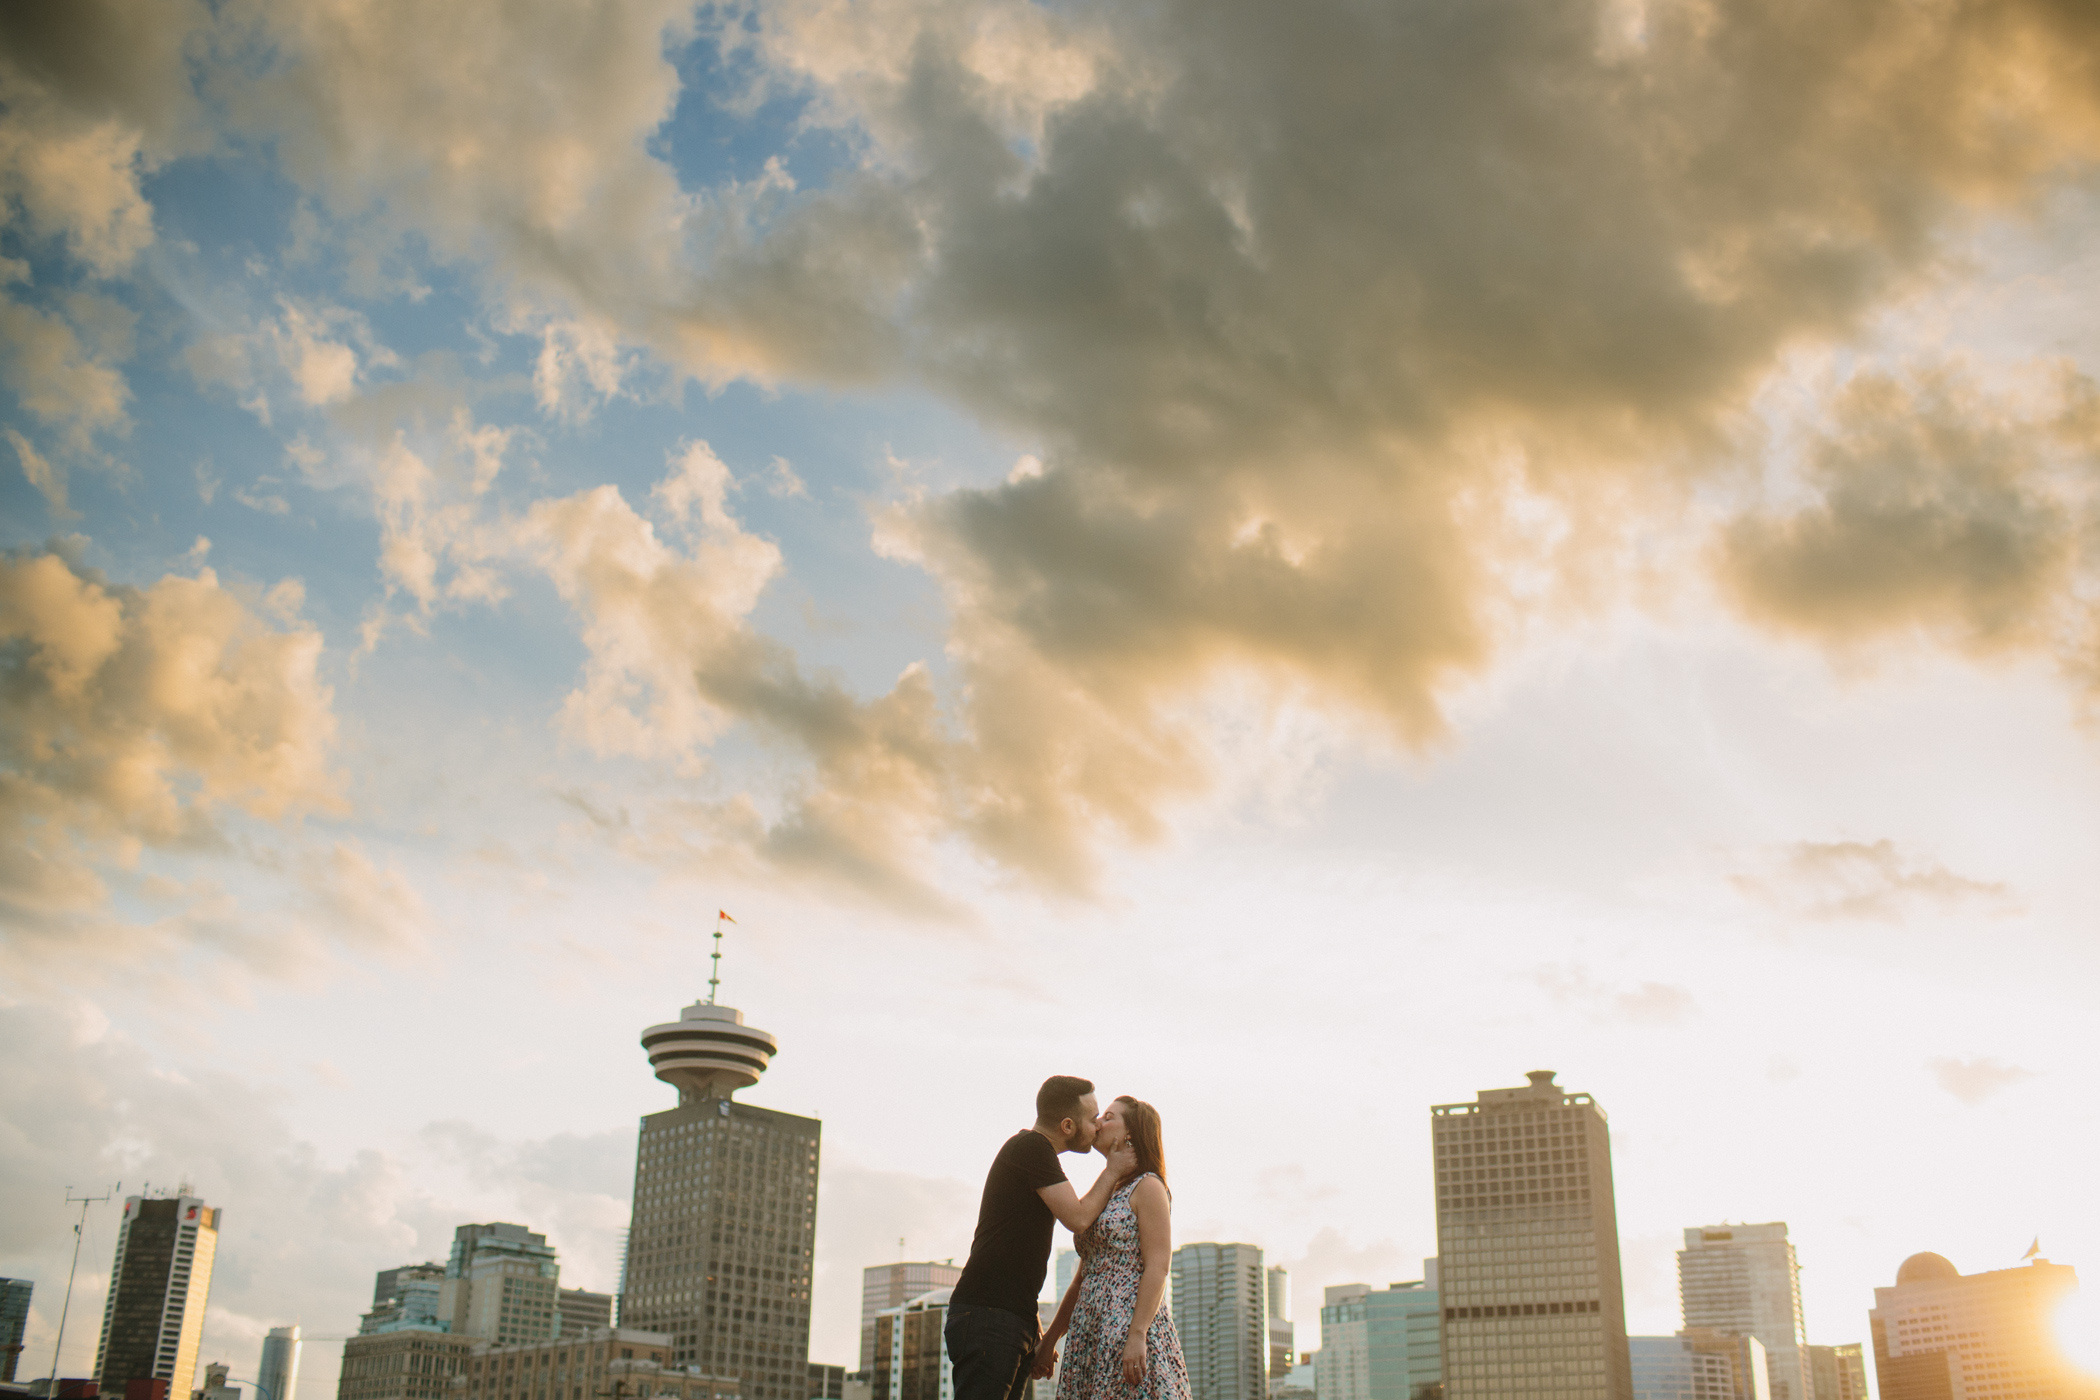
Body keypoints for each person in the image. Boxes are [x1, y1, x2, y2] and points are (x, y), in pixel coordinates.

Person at [947, 1076, 1140, 1400]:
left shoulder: (1036, 1156)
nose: (1096, 1127)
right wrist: (1113, 1171)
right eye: (1092, 1119)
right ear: (1067, 1125)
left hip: (1008, 1316)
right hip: (988, 1316)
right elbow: (1078, 1219)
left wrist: (1033, 1326)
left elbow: (1019, 1249)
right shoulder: (1031, 1147)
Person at [1034, 1096, 1191, 1400]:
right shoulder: (1107, 1189)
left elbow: (1158, 1265)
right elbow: (1082, 1278)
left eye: (1108, 1117)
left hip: (1128, 1324)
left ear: (1130, 1134)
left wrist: (1137, 1335)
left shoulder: (1148, 1186)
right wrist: (1051, 1339)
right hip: (1090, 1330)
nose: (1098, 1123)